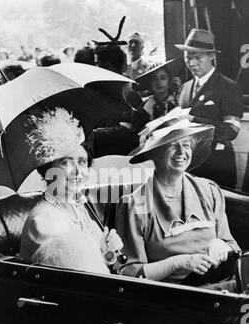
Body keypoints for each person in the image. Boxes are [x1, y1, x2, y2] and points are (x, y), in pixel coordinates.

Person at [115, 119, 240, 287]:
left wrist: (221, 244)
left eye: (186, 145)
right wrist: (178, 263)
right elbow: (128, 274)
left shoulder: (209, 191)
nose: (181, 152)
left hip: (222, 284)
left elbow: (233, 246)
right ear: (155, 154)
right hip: (176, 297)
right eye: (172, 145)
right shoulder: (134, 204)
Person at [20, 108, 123, 273]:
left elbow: (99, 265)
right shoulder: (43, 222)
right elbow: (86, 278)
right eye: (66, 163)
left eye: (82, 162)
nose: (77, 171)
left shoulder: (77, 206)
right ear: (48, 170)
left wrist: (108, 253)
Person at [175, 28, 243, 189]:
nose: (192, 63)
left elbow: (230, 131)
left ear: (212, 56)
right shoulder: (184, 88)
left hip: (217, 170)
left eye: (198, 58)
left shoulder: (228, 87)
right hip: (187, 169)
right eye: (188, 58)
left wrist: (193, 120)